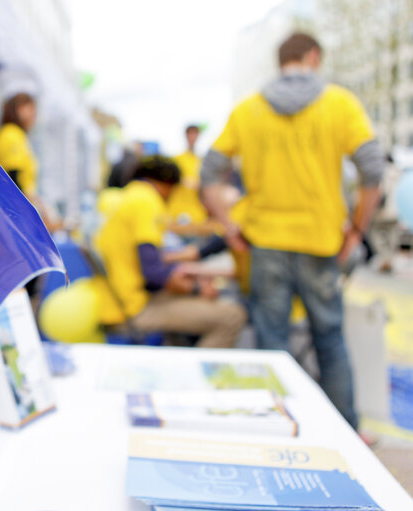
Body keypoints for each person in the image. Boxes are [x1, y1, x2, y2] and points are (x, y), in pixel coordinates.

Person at [201, 32, 384, 429]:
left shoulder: (248, 109)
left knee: (271, 344)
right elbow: (372, 169)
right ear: (313, 57)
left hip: (265, 244)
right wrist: (356, 230)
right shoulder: (339, 103)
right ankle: (347, 434)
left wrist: (231, 227)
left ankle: (275, 430)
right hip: (321, 243)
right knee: (330, 341)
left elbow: (209, 172)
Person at [95, 156, 247, 348]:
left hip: (117, 301)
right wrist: (197, 289)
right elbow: (153, 272)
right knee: (232, 316)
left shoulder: (129, 196)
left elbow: (146, 260)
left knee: (199, 301)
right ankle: (195, 377)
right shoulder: (146, 202)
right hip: (132, 310)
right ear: (167, 185)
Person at [0, 93, 60, 231]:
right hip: (13, 214)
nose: (34, 116)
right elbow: (14, 180)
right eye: (31, 110)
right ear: (19, 109)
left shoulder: (15, 135)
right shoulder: (11, 134)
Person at [168, 125, 209, 226]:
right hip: (177, 210)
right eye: (190, 134)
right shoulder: (177, 159)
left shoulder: (201, 161)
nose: (192, 137)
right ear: (186, 136)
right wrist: (183, 181)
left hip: (196, 211)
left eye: (195, 134)